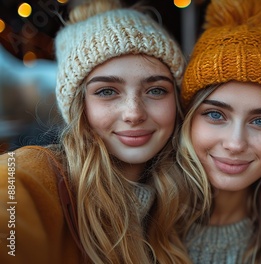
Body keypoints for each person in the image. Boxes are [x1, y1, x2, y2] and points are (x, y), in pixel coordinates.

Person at [0, 0, 206, 263]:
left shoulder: (193, 198)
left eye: (156, 90)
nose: (134, 113)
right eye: (107, 91)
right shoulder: (37, 174)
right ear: (78, 105)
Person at [177, 0, 261, 263]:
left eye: (260, 121)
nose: (235, 144)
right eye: (215, 115)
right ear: (188, 119)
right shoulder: (141, 224)